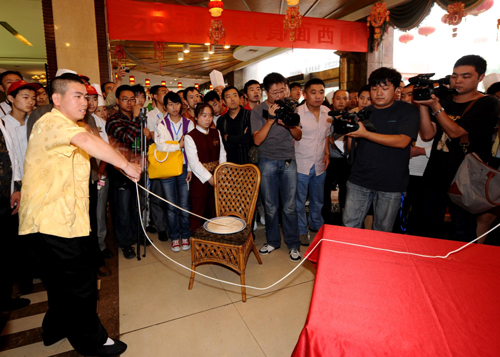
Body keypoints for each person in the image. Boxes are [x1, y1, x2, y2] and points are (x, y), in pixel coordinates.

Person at [19, 73, 140, 356]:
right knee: (81, 283)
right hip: (52, 221)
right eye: (77, 96)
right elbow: (88, 141)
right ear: (56, 99)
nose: (84, 102)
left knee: (60, 283)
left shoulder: (67, 124)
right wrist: (126, 165)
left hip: (57, 219)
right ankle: (92, 341)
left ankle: (55, 328)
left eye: (86, 96)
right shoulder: (53, 123)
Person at [417, 55, 499, 242]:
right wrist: (423, 105)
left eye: (466, 76)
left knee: (463, 230)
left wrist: (436, 107)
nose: (458, 80)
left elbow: (455, 132)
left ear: (480, 77)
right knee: (429, 227)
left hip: (465, 178)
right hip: (436, 173)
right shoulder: (447, 101)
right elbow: (428, 135)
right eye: (455, 75)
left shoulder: (488, 103)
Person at [342, 67, 420, 232]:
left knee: (383, 230)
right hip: (360, 179)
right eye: (374, 88)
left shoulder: (408, 111)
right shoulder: (364, 112)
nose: (378, 92)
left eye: (385, 88)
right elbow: (352, 148)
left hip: (391, 183)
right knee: (349, 225)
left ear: (396, 90)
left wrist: (366, 134)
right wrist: (349, 131)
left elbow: (402, 141)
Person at [251, 72, 302, 262]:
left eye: (283, 90)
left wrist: (288, 124)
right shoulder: (258, 111)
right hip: (267, 160)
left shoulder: (291, 107)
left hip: (289, 160)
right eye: (275, 92)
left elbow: (298, 136)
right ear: (266, 93)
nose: (280, 95)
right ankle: (272, 241)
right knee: (271, 206)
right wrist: (271, 120)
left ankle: (293, 244)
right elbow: (257, 140)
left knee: (289, 206)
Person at [106, 84, 151, 259]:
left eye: (132, 99)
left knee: (137, 206)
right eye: (125, 99)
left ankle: (137, 235)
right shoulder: (113, 120)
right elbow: (127, 137)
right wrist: (135, 119)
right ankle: (125, 243)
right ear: (117, 101)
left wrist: (146, 135)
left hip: (138, 168)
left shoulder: (138, 119)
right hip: (120, 171)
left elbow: (138, 143)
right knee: (122, 210)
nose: (130, 102)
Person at [0, 107, 30, 311]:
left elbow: (12, 160)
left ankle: (6, 296)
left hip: (7, 195)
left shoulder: (1, 124)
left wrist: (16, 187)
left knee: (8, 248)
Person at [155, 92, 194, 251]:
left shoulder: (188, 123)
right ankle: (174, 237)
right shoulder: (161, 123)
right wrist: (178, 146)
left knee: (184, 203)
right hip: (167, 168)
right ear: (165, 107)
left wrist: (191, 169)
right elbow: (160, 146)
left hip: (184, 167)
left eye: (177, 104)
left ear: (181, 104)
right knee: (170, 204)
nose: (174, 107)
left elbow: (192, 149)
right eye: (170, 104)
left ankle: (185, 235)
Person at [295, 78, 330, 246]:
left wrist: (327, 153)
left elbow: (326, 136)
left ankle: (317, 225)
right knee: (299, 201)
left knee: (318, 199)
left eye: (321, 92)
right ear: (305, 94)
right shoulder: (297, 113)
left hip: (319, 164)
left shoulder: (327, 112)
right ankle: (302, 230)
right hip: (301, 163)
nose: (317, 96)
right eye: (313, 92)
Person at [184, 103, 227, 232]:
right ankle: (197, 242)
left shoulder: (216, 132)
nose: (208, 119)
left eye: (210, 115)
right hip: (200, 179)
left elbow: (222, 154)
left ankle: (214, 239)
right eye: (204, 115)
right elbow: (194, 163)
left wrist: (221, 173)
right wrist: (209, 178)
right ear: (196, 117)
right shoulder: (190, 136)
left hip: (217, 175)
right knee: (198, 210)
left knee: (215, 209)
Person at [322, 89, 351, 222]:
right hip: (329, 159)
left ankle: (344, 218)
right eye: (338, 98)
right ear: (332, 100)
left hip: (345, 160)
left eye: (344, 98)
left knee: (345, 190)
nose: (341, 101)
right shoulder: (327, 117)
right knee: (326, 189)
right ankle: (326, 217)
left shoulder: (351, 117)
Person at [146, 85, 170, 241]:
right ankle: (161, 227)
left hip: (173, 159)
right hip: (157, 160)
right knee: (157, 195)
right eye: (163, 92)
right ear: (154, 96)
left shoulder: (173, 114)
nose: (166, 94)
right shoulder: (150, 115)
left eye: (168, 92)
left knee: (172, 196)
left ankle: (172, 225)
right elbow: (154, 137)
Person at [4, 80, 39, 174]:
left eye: (33, 98)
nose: (31, 102)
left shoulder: (35, 123)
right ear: (11, 98)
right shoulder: (3, 125)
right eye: (25, 97)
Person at [217, 86, 253, 165]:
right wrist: (241, 138)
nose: (232, 99)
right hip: (229, 165)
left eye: (235, 95)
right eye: (228, 97)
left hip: (248, 163)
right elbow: (222, 143)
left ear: (240, 98)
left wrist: (229, 138)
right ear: (223, 102)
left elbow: (249, 138)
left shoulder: (250, 115)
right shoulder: (221, 120)